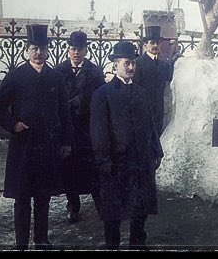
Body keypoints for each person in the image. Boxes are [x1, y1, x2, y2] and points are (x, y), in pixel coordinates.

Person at [0, 24, 72, 251]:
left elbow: (64, 113)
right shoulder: (16, 76)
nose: (39, 53)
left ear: (48, 50)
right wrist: (12, 125)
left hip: (48, 145)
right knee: (23, 197)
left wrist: (66, 142)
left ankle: (41, 240)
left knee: (43, 196)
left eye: (43, 48)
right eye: (35, 48)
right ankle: (21, 244)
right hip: (23, 145)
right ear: (27, 50)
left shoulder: (55, 77)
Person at [90, 40, 163, 250]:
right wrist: (103, 161)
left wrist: (156, 152)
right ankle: (112, 245)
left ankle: (137, 243)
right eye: (126, 63)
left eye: (133, 63)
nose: (130, 67)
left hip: (140, 161)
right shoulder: (103, 94)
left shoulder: (142, 93)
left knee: (140, 208)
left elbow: (150, 124)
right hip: (116, 163)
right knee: (113, 212)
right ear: (116, 65)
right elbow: (98, 131)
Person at [56, 30, 105, 223]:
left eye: (80, 49)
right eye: (73, 49)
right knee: (68, 167)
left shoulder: (94, 71)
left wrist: (80, 101)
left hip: (87, 128)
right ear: (68, 50)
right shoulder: (59, 71)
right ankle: (73, 205)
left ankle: (100, 204)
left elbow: (99, 96)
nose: (76, 52)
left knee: (92, 167)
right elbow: (55, 97)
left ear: (86, 50)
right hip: (67, 128)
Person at [133, 25, 174, 136]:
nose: (155, 45)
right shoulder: (138, 63)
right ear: (145, 45)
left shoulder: (164, 65)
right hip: (142, 110)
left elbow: (169, 80)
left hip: (158, 110)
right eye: (152, 43)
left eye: (157, 43)